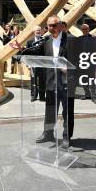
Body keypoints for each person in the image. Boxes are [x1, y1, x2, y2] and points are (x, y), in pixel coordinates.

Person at [12, 16, 76, 149]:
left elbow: (80, 59)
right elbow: (35, 51)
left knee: (67, 111)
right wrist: (21, 48)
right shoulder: (46, 40)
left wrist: (70, 69)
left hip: (66, 82)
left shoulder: (71, 40)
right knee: (50, 109)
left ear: (60, 26)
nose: (50, 29)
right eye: (48, 26)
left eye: (53, 26)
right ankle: (48, 133)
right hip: (51, 81)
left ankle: (66, 137)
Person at [79, 23, 96, 104]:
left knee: (91, 79)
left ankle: (94, 97)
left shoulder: (94, 38)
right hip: (82, 62)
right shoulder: (79, 39)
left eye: (86, 29)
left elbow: (95, 51)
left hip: (90, 61)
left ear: (89, 29)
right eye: (83, 29)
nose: (84, 31)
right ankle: (87, 94)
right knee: (84, 79)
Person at [27, 26, 46, 102]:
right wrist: (28, 64)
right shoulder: (29, 42)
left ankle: (42, 96)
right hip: (33, 65)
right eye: (36, 30)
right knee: (33, 81)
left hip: (42, 64)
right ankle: (33, 95)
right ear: (34, 32)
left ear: (41, 31)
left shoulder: (44, 40)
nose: (38, 31)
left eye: (39, 30)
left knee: (42, 81)